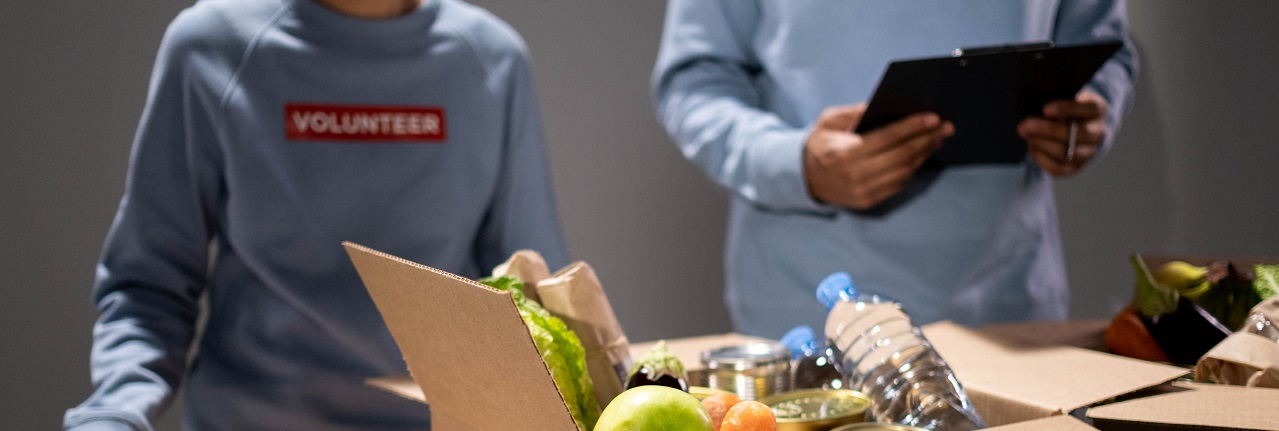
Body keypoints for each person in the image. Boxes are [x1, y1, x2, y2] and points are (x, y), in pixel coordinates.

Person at [63, 0, 567, 429]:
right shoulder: (211, 45)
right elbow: (149, 285)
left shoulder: (491, 59)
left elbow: (532, 300)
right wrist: (114, 414)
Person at [652, 1, 1137, 337]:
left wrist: (1093, 114)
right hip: (812, 305)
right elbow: (694, 81)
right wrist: (795, 162)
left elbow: (1105, 48)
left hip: (1008, 297)